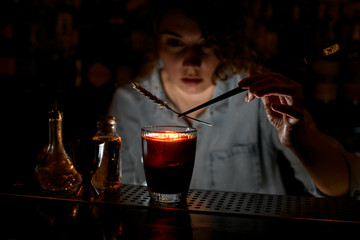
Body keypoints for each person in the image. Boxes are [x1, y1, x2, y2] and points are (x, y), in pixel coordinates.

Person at [109, 0, 360, 198]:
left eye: (207, 44)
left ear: (227, 46)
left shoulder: (258, 96)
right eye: (175, 43)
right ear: (156, 45)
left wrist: (301, 140)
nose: (191, 62)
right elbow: (122, 197)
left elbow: (343, 188)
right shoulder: (129, 104)